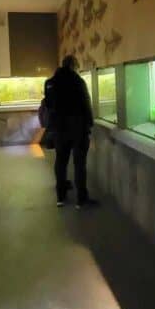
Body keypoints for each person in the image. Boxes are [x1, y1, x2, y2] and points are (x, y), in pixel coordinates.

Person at [44, 55, 97, 208]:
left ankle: (60, 197)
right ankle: (81, 199)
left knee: (60, 161)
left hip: (59, 130)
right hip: (78, 129)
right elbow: (86, 103)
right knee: (79, 163)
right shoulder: (78, 81)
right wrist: (89, 124)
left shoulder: (50, 83)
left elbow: (47, 105)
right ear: (74, 65)